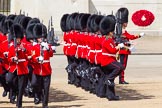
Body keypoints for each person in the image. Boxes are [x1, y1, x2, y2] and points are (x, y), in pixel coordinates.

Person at [116, 7, 145, 84]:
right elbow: (131, 37)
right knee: (123, 65)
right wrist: (139, 35)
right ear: (123, 23)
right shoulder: (122, 31)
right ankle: (121, 79)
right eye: (126, 22)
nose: (126, 24)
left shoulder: (121, 30)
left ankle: (120, 79)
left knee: (122, 65)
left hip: (124, 50)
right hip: (123, 51)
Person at [100, 15, 124, 100]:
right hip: (107, 61)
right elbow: (112, 50)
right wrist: (119, 46)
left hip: (109, 60)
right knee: (120, 67)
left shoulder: (110, 40)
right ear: (109, 32)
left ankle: (111, 95)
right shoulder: (106, 41)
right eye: (112, 32)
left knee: (111, 81)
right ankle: (109, 79)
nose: (113, 33)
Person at [31, 23, 53, 108]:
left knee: (46, 88)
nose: (41, 39)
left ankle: (45, 104)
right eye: (40, 38)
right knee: (36, 85)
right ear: (37, 38)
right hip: (37, 69)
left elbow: (51, 55)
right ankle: (37, 95)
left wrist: (47, 48)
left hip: (46, 69)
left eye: (42, 37)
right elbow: (33, 57)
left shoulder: (47, 46)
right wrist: (37, 59)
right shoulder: (35, 46)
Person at [7, 24, 29, 108]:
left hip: (22, 67)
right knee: (9, 80)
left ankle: (19, 104)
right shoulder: (11, 45)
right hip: (14, 68)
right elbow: (9, 57)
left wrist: (23, 50)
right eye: (16, 38)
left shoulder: (24, 44)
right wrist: (13, 59)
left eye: (19, 38)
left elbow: (28, 55)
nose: (18, 40)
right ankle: (14, 91)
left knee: (21, 87)